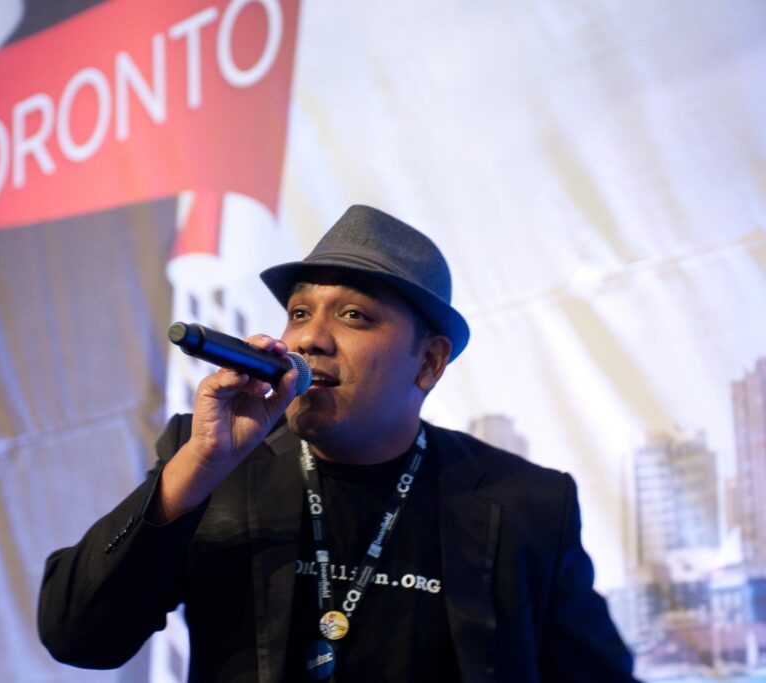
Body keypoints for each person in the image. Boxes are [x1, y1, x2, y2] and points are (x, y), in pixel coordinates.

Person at [37, 205, 637, 682]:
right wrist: (197, 467)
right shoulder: (214, 466)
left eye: (353, 316)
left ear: (429, 362)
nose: (310, 340)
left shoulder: (526, 503)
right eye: (300, 313)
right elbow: (78, 637)